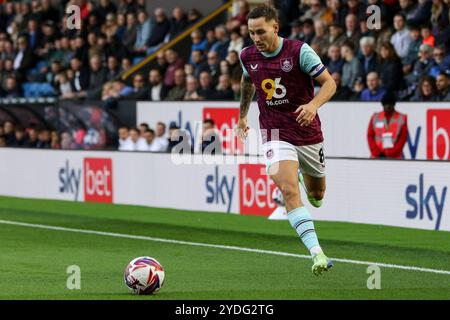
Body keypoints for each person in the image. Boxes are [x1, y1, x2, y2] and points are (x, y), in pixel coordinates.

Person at [237, 5, 336, 276]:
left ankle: (307, 177)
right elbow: (247, 82)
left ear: (275, 27)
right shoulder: (247, 56)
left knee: (317, 196)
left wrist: (313, 105)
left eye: (260, 31)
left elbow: (330, 83)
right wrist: (242, 116)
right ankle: (317, 253)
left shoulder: (299, 51)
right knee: (289, 190)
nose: (255, 38)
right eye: (251, 32)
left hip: (307, 132)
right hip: (274, 133)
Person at [367, 92, 408, 159]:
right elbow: (370, 136)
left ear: (393, 104)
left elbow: (402, 138)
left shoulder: (402, 118)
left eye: (390, 104)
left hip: (395, 157)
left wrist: (392, 153)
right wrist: (377, 153)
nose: (387, 106)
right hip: (377, 156)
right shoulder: (375, 117)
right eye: (385, 104)